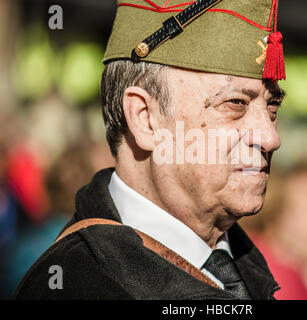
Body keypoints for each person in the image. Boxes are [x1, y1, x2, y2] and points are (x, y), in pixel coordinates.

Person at [13, 0, 287, 299]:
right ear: (145, 119)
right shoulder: (74, 286)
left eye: (272, 106)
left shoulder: (238, 262)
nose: (271, 137)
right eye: (235, 104)